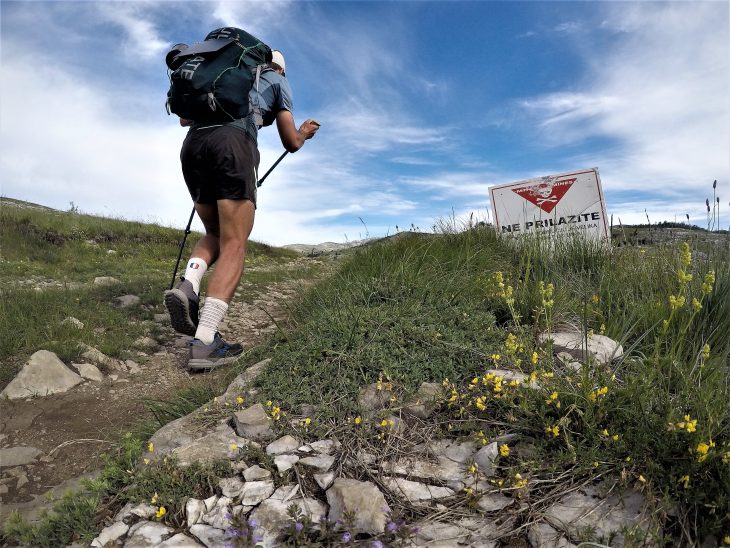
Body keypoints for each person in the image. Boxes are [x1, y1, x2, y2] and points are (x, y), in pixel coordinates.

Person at [165, 49, 320, 370]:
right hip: (233, 145)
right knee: (235, 241)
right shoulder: (277, 80)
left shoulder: (223, 76)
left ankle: (188, 284)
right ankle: (206, 341)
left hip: (193, 147)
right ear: (282, 68)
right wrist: (303, 135)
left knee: (215, 232)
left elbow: (184, 118)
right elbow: (290, 141)